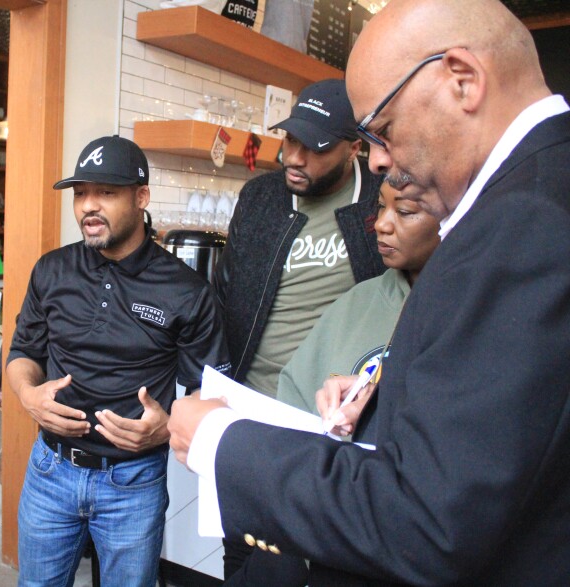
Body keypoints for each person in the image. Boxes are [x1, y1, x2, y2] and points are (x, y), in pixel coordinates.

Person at [168, 0, 570, 584]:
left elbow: (430, 524)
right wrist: (381, 398)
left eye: (383, 130)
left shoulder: (522, 225)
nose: (380, 160)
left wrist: (218, 440)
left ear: (462, 80)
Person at [7, 135, 231, 586]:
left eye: (106, 193)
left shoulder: (187, 291)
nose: (89, 205)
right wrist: (29, 396)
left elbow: (212, 394)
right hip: (50, 470)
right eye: (81, 193)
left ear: (141, 197)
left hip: (133, 481)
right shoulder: (51, 270)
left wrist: (167, 426)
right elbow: (22, 354)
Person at [213, 78, 385, 582]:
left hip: (332, 422)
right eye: (290, 139)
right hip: (251, 405)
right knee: (240, 544)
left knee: (308, 557)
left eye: (316, 147)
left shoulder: (383, 200)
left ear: (356, 146)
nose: (294, 156)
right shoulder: (261, 197)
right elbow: (226, 295)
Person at [277, 182, 441, 426]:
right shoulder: (357, 301)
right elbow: (292, 400)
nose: (380, 224)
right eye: (381, 206)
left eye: (404, 211)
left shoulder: (476, 314)